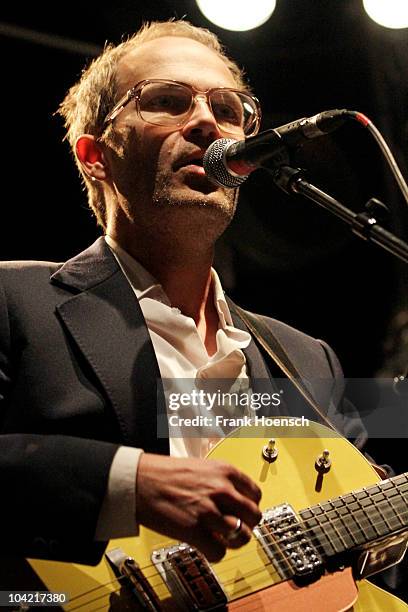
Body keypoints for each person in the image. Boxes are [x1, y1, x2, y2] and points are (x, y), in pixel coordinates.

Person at [0, 20, 367, 568]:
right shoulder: (13, 299)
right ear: (94, 155)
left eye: (228, 109)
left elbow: (373, 562)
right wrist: (130, 484)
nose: (206, 122)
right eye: (168, 101)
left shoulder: (309, 359)